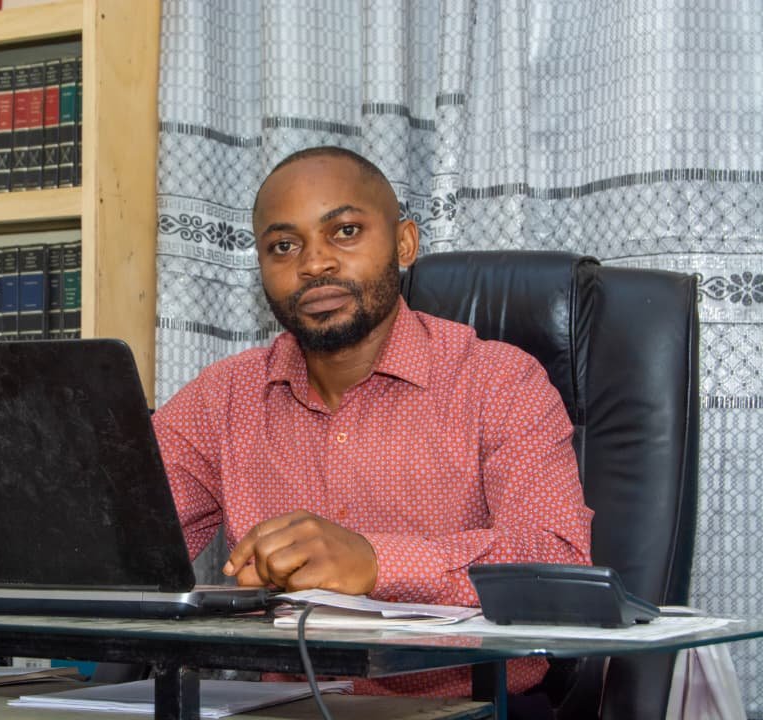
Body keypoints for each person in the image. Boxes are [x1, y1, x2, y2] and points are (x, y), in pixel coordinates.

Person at [151, 146, 593, 700]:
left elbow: (558, 566)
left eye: (345, 232)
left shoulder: (498, 381)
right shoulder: (226, 396)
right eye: (284, 246)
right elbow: (116, 543)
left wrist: (376, 562)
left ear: (405, 243)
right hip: (286, 710)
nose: (314, 264)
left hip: (471, 707)